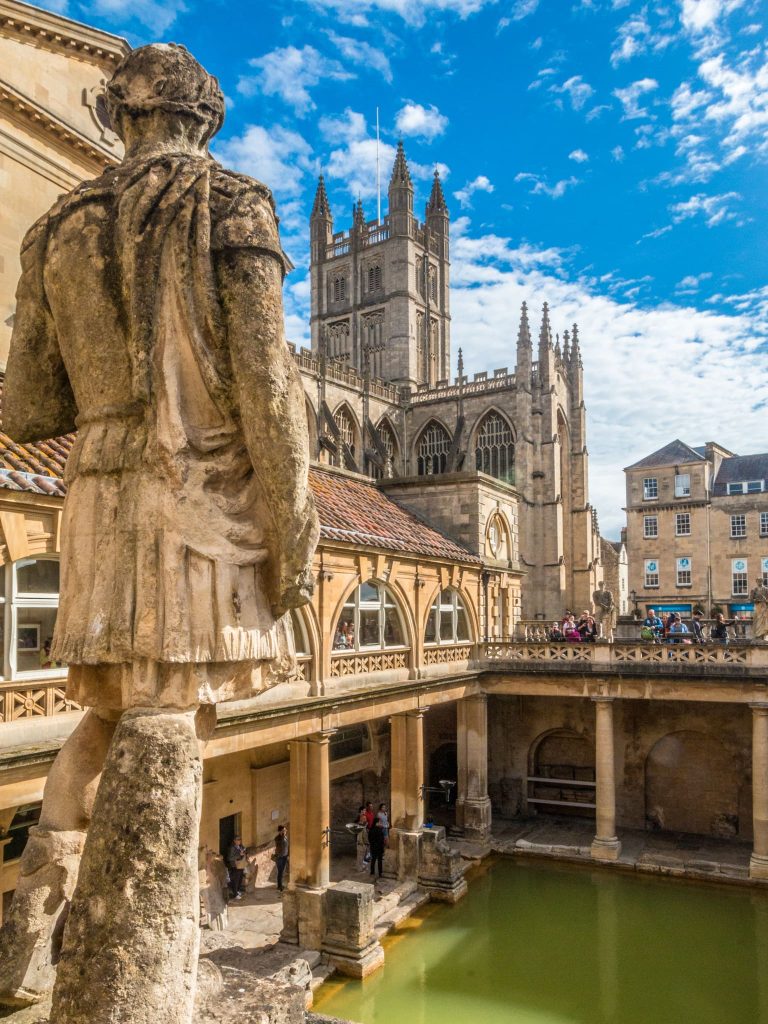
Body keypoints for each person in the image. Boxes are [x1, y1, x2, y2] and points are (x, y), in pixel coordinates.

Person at [226, 835, 246, 900]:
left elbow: (243, 853)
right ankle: (235, 894)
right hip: (235, 866)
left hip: (241, 865)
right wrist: (239, 855)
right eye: (237, 839)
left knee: (240, 879)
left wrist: (244, 853)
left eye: (240, 839)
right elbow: (230, 858)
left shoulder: (241, 847)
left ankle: (237, 891)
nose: (239, 841)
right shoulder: (232, 848)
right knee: (235, 880)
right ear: (234, 841)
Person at [368, 817, 386, 883]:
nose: (380, 823)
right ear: (376, 823)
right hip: (379, 848)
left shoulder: (371, 830)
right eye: (379, 822)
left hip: (373, 847)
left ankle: (372, 872)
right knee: (379, 861)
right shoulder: (379, 830)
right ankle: (380, 873)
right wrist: (382, 847)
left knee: (373, 860)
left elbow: (369, 839)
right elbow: (381, 840)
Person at [273, 824, 289, 893]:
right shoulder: (277, 838)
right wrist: (282, 835)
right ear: (280, 831)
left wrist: (288, 854)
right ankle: (279, 886)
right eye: (283, 830)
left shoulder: (285, 837)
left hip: (285, 856)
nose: (285, 831)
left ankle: (280, 885)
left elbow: (287, 846)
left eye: (285, 830)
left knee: (282, 871)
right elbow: (280, 844)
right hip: (279, 857)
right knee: (280, 872)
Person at [356, 806, 369, 871]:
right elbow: (360, 836)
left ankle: (361, 866)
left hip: (362, 841)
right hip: (361, 842)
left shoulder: (362, 826)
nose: (365, 812)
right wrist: (363, 843)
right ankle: (359, 868)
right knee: (360, 855)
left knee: (362, 854)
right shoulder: (360, 826)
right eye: (364, 810)